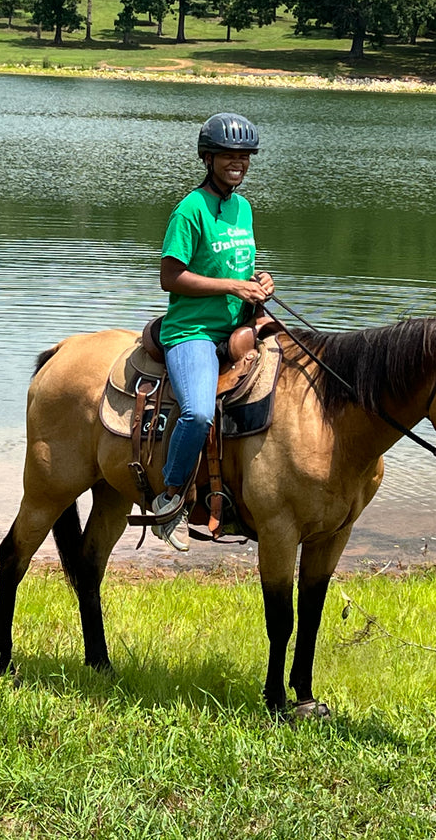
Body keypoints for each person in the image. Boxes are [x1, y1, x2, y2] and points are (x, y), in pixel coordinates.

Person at [151, 112, 274, 550]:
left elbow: (238, 265)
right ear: (208, 158)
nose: (237, 163)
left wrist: (259, 282)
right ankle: (170, 500)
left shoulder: (243, 209)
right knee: (198, 412)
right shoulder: (190, 209)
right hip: (193, 332)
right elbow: (170, 277)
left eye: (244, 156)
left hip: (241, 325)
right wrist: (229, 285)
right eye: (227, 155)